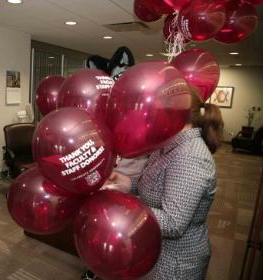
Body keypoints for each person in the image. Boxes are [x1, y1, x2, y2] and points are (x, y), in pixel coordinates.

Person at [83, 88, 223, 280]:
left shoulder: (191, 157)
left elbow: (173, 223)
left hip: (174, 262)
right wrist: (124, 183)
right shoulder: (167, 144)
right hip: (154, 250)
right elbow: (150, 186)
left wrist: (126, 208)